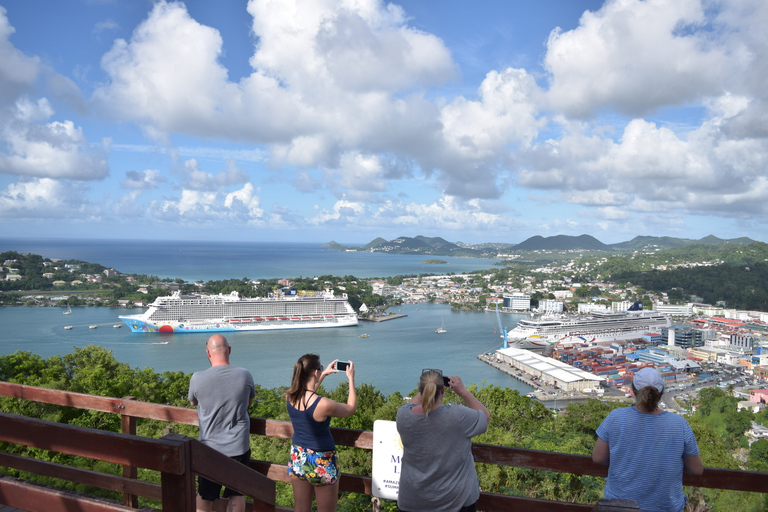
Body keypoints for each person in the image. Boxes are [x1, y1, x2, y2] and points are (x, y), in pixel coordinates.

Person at [592, 367, 704, 512]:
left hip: (619, 505)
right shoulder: (679, 424)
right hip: (665, 507)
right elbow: (696, 469)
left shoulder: (616, 417)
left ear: (633, 390)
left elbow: (598, 458)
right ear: (661, 392)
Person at [396, 369, 490, 512]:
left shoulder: (403, 415)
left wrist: (426, 387)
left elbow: (411, 405)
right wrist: (463, 391)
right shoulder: (457, 416)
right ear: (443, 391)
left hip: (413, 501)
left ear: (420, 390)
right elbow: (485, 417)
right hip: (455, 501)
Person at [188, 334, 255, 512]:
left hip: (209, 448)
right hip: (238, 446)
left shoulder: (197, 377)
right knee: (237, 493)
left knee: (205, 494)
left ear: (208, 353)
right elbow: (249, 402)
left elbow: (193, 402)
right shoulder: (244, 374)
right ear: (229, 350)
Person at [285, 354, 357, 512]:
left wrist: (323, 374)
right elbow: (351, 408)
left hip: (298, 457)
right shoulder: (324, 404)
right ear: (314, 372)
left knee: (300, 508)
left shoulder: (290, 397)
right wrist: (351, 379)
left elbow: (308, 395)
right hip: (321, 460)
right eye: (320, 368)